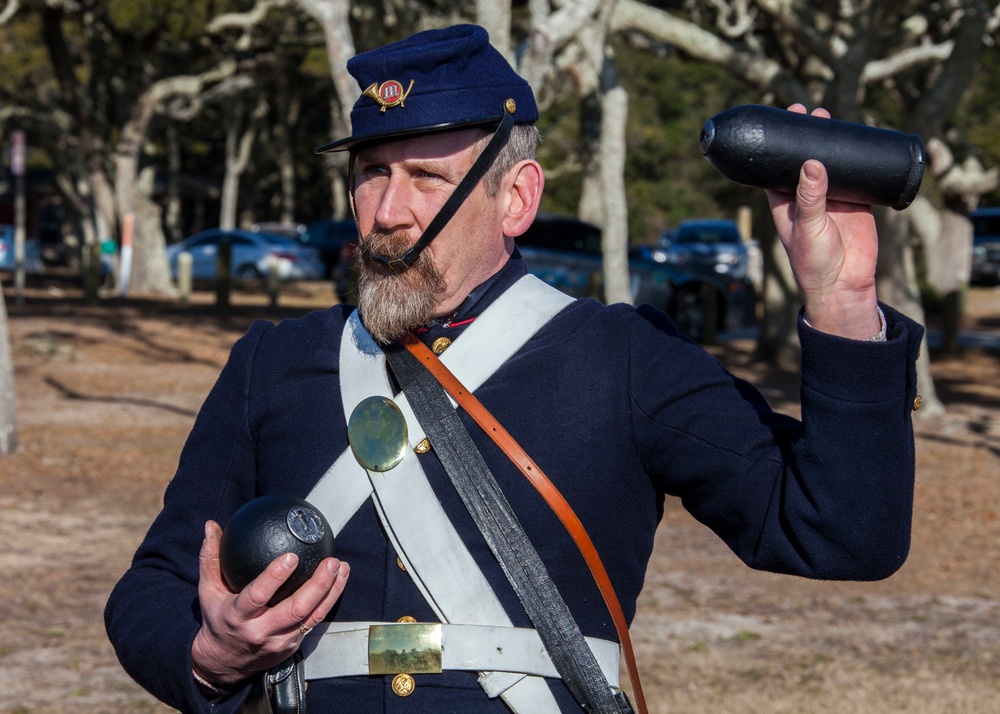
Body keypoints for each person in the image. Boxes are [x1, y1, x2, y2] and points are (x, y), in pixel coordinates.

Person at [105, 23, 924, 714]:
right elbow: (152, 591)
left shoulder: (624, 358)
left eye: (426, 177)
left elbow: (841, 532)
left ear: (517, 198)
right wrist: (210, 653)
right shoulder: (272, 362)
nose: (387, 213)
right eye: (370, 174)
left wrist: (840, 300)